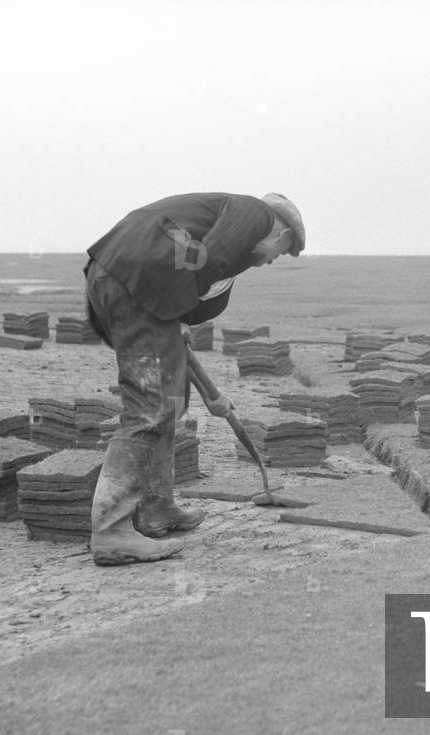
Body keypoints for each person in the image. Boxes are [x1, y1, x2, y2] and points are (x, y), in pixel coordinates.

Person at [83, 192, 306, 565]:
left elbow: (199, 287)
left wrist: (173, 330)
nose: (271, 261)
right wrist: (172, 319)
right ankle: (110, 530)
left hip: (121, 279)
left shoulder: (222, 236)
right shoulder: (256, 215)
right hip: (135, 283)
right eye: (281, 252)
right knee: (149, 409)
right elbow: (210, 260)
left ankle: (157, 508)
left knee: (170, 402)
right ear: (280, 234)